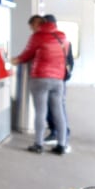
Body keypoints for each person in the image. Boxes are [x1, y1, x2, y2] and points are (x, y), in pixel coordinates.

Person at [11, 15, 68, 155]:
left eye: (31, 27)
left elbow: (25, 56)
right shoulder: (63, 36)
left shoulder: (38, 36)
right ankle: (61, 145)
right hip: (58, 80)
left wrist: (12, 60)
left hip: (41, 78)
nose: (31, 30)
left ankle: (38, 144)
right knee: (58, 112)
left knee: (40, 112)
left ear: (36, 25)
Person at [41, 14, 73, 152]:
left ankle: (60, 134)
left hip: (51, 78)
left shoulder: (49, 39)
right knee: (57, 106)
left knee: (55, 106)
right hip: (60, 78)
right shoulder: (64, 39)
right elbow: (70, 61)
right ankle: (59, 133)